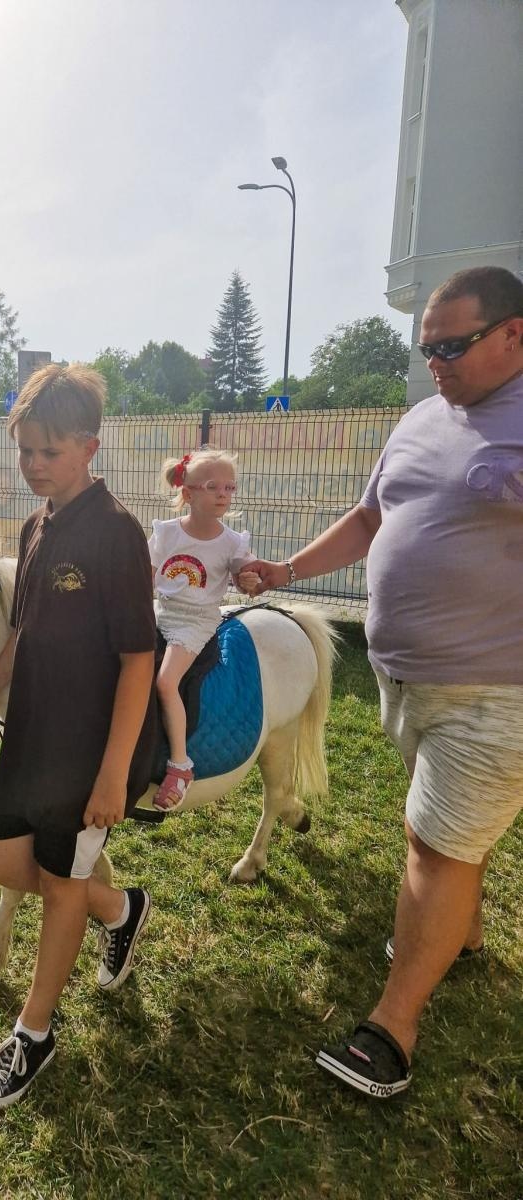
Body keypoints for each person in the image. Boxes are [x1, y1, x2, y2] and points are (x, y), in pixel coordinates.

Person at [243, 265, 523, 1099]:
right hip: (404, 680)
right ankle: (462, 935)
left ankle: (391, 1031)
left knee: (433, 846)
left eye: (451, 344)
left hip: (498, 689)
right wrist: (288, 568)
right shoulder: (421, 420)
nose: (434, 359)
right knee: (441, 832)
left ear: (514, 334)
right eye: (426, 344)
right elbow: (372, 519)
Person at [0, 364, 157, 1112]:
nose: (34, 466)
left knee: (62, 881)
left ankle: (32, 1035)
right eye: (25, 452)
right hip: (31, 735)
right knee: (5, 861)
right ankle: (120, 910)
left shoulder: (118, 533)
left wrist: (111, 775)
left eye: (48, 452)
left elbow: (140, 659)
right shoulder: (37, 526)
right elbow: (30, 628)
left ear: (89, 446)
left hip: (87, 748)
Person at [148, 448, 257, 811]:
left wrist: (249, 578)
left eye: (230, 487)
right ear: (189, 492)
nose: (224, 494)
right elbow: (145, 575)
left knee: (165, 681)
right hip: (162, 612)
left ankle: (180, 763)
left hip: (197, 622)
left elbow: (245, 575)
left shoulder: (231, 542)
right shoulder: (166, 535)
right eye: (213, 487)